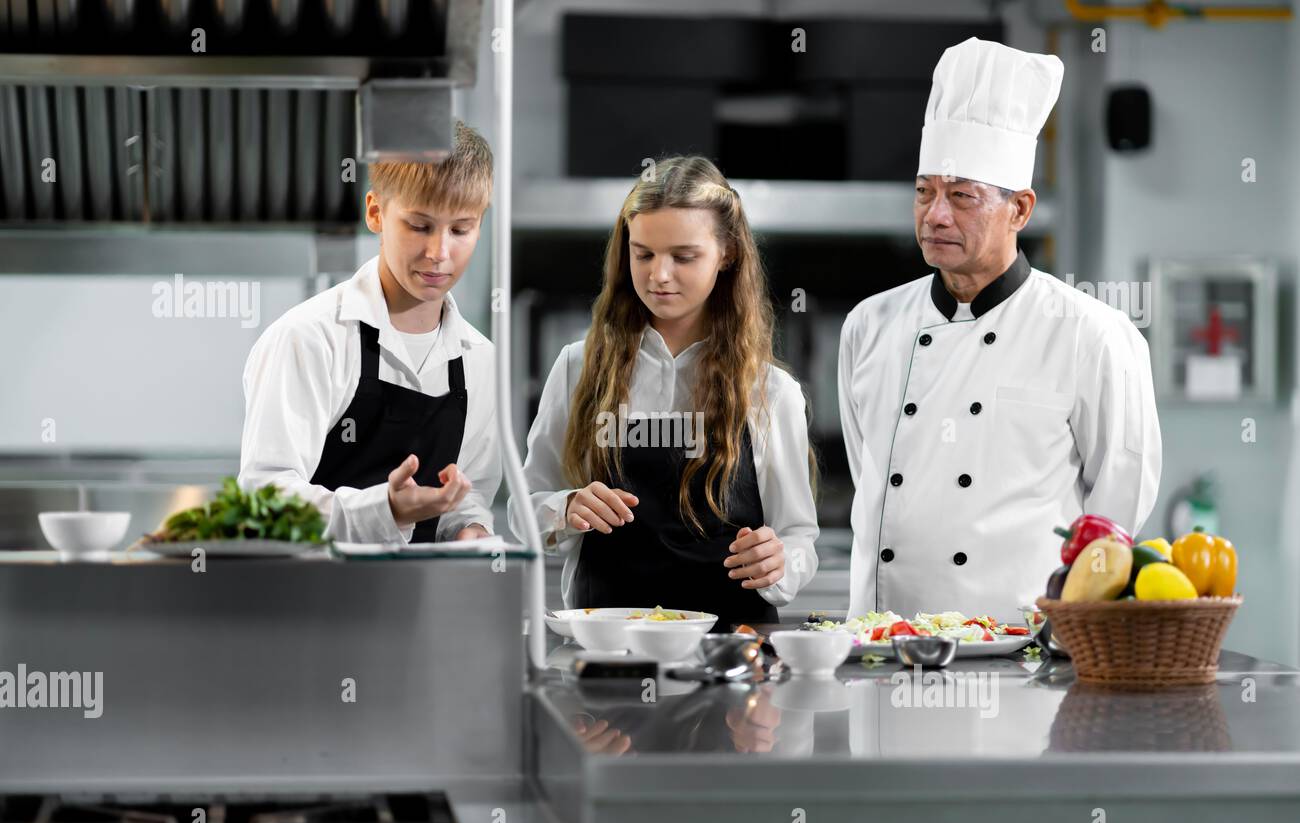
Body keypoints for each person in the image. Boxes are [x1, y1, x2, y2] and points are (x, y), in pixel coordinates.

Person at [837, 38, 1162, 622]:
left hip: (1020, 656)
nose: (936, 214)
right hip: (882, 648)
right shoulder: (870, 325)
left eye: (961, 196)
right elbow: (871, 481)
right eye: (924, 192)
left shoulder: (1095, 336)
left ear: (1020, 209)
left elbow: (1112, 523)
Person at [509, 156, 819, 628]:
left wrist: (779, 562)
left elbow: (798, 536)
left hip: (731, 655)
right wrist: (566, 507)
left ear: (728, 254)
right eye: (644, 254)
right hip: (611, 648)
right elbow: (523, 507)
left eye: (683, 256)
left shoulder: (771, 391)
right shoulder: (578, 366)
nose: (659, 275)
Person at [238, 121, 501, 543]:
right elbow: (267, 500)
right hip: (312, 600)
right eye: (419, 226)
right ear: (376, 212)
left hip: (425, 604)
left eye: (460, 229)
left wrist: (470, 530)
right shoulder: (309, 338)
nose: (439, 253)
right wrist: (386, 510)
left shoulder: (480, 360)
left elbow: (469, 498)